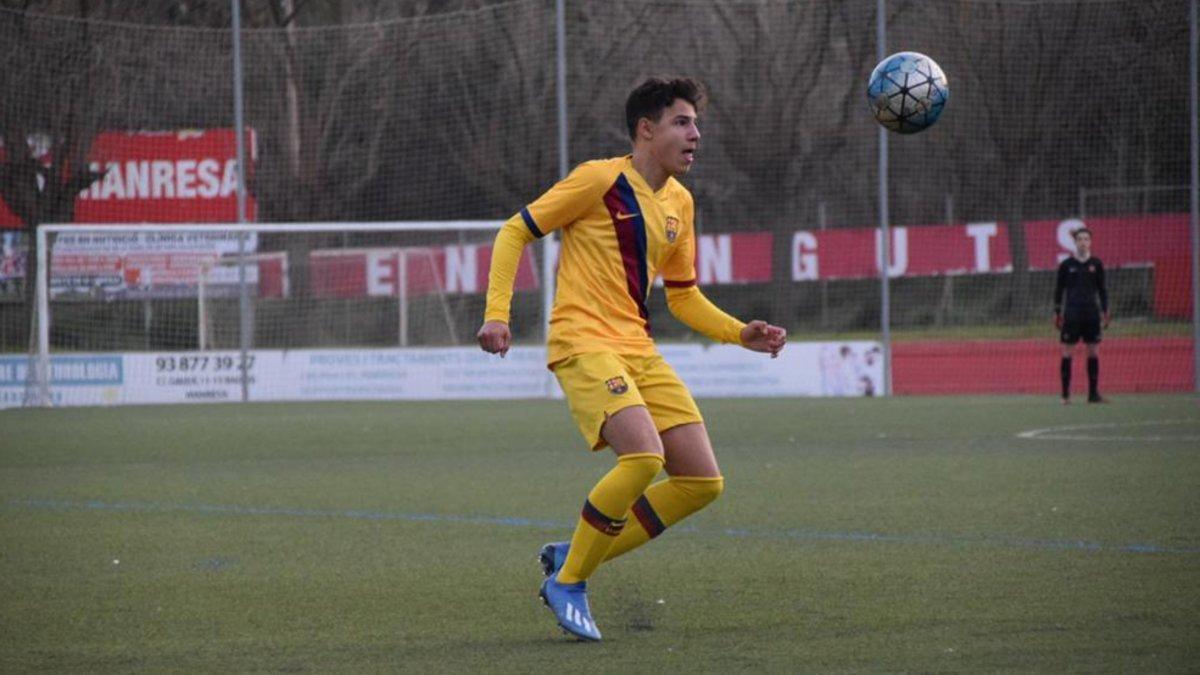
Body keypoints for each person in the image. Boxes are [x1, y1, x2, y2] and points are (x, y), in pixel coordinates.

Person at [477, 77, 787, 642]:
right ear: (647, 129)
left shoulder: (680, 203)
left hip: (637, 348)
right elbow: (514, 232)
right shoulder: (600, 179)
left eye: (696, 124)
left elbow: (684, 296)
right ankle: (568, 581)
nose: (696, 134)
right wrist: (498, 312)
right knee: (643, 458)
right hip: (583, 343)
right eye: (682, 122)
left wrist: (741, 332)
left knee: (700, 481)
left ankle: (574, 553)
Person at [1053, 227, 1110, 404]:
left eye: (1086, 239)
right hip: (1072, 313)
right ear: (1075, 242)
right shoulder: (1066, 265)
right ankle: (1065, 395)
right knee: (1067, 352)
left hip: (1091, 313)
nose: (1083, 242)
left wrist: (1105, 310)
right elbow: (1059, 289)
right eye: (1080, 239)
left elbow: (1102, 289)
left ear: (1090, 242)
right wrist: (1057, 312)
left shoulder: (1097, 264)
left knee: (1093, 352)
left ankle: (1093, 394)